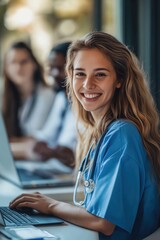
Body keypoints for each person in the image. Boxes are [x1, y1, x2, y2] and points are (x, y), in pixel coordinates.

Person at [9, 32, 160, 240]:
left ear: (119, 79)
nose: (88, 84)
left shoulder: (122, 135)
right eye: (80, 74)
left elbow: (104, 222)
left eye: (100, 74)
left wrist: (51, 205)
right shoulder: (100, 130)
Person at [2, 41, 55, 138]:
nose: (18, 67)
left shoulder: (48, 95)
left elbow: (36, 141)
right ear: (6, 68)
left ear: (34, 64)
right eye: (13, 62)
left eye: (24, 62)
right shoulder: (3, 98)